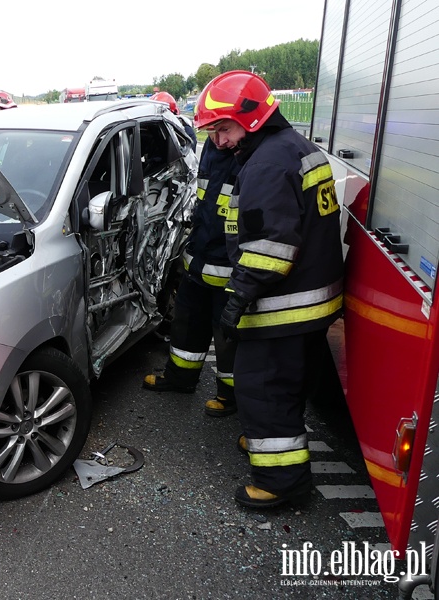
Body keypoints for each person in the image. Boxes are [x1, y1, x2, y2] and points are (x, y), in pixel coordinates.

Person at [194, 71, 344, 509]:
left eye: (223, 129)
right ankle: (274, 446)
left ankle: (282, 483)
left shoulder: (265, 166)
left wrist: (237, 297)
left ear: (252, 118)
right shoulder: (295, 148)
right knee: (290, 385)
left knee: (263, 389)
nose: (218, 141)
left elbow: (268, 252)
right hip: (312, 300)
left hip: (283, 306)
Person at [142, 137, 239, 417]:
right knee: (186, 323)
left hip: (231, 267)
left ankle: (230, 395)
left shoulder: (254, 152)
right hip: (200, 256)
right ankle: (180, 379)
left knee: (228, 337)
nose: (218, 139)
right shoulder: (212, 144)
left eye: (223, 129)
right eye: (212, 130)